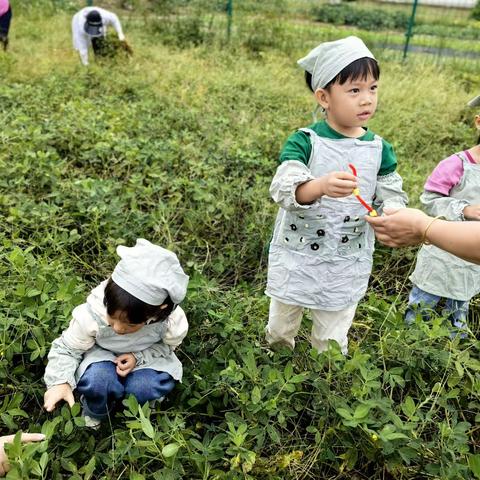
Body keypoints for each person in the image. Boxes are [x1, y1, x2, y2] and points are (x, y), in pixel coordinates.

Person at [265, 36, 408, 354]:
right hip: (298, 252)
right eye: (354, 90)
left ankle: (324, 378)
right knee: (281, 324)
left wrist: (392, 213)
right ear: (324, 97)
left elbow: (390, 190)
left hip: (346, 255)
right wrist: (319, 186)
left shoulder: (378, 148)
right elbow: (284, 186)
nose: (366, 100)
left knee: (331, 333)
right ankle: (276, 364)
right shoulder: (306, 141)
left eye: (372, 88)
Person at [43, 239, 189, 428]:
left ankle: (138, 413)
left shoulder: (169, 321)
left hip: (146, 356)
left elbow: (167, 348)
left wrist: (139, 357)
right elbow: (67, 348)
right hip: (101, 354)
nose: (118, 329)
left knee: (144, 386)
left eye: (130, 324)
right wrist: (59, 382)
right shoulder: (92, 314)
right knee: (99, 379)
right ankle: (97, 410)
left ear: (157, 311)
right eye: (112, 319)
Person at [400, 96, 480, 333]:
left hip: (472, 258)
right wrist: (463, 209)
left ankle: (451, 356)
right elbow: (429, 199)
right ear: (479, 122)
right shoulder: (457, 164)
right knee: (422, 305)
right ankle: (410, 346)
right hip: (441, 251)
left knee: (459, 310)